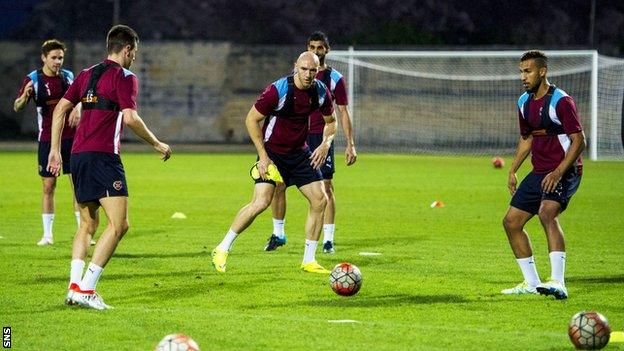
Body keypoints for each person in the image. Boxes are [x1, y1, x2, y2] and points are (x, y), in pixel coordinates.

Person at [47, 25, 172, 310]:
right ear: (127, 49)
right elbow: (130, 117)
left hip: (77, 156)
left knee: (88, 224)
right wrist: (156, 143)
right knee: (120, 225)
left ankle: (73, 287)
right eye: (134, 53)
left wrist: (55, 150)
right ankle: (87, 289)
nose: (134, 58)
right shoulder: (125, 77)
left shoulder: (85, 74)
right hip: (104, 158)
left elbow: (59, 110)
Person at [211, 51, 336, 274]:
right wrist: (263, 157)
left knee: (320, 200)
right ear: (295, 66)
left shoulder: (319, 91)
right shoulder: (278, 90)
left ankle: (309, 260)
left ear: (318, 71)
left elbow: (331, 122)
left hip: (300, 154)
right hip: (272, 153)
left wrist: (325, 143)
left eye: (313, 71)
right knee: (261, 203)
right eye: (304, 69)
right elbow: (251, 119)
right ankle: (221, 248)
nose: (308, 75)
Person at [501, 50, 585, 300]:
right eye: (521, 72)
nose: (523, 77)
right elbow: (527, 139)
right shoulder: (523, 102)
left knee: (547, 212)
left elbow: (579, 141)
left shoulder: (561, 101)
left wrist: (559, 172)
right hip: (539, 172)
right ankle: (531, 283)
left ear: (542, 72)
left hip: (566, 170)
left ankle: (558, 282)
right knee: (511, 222)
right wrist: (513, 169)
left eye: (527, 71)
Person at [265, 31, 357, 253]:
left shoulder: (335, 79)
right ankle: (278, 233)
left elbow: (342, 112)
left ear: (327, 50)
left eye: (320, 47)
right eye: (312, 47)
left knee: (325, 187)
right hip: (298, 137)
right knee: (279, 184)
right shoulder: (299, 74)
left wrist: (350, 143)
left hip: (321, 137)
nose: (316, 51)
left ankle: (328, 239)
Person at [14, 39, 82, 246]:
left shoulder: (69, 77)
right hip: (46, 139)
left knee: (77, 187)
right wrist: (24, 98)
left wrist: (78, 108)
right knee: (49, 186)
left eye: (60, 57)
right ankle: (47, 235)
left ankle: (83, 232)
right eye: (53, 57)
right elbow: (16, 107)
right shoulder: (33, 79)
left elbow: (81, 98)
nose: (57, 61)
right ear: (44, 57)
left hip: (71, 138)